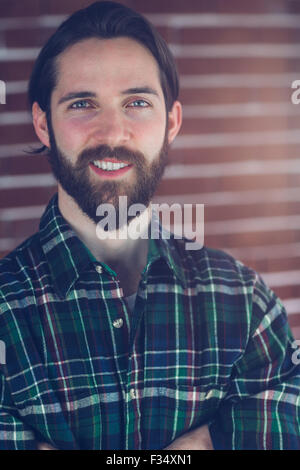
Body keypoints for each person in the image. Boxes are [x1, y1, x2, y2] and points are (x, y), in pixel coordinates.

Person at [0, 1, 299, 451]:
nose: (113, 133)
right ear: (44, 124)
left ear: (171, 122)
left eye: (137, 102)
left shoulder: (248, 304)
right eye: (82, 103)